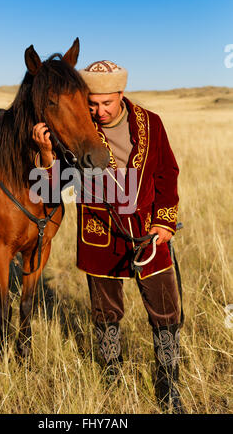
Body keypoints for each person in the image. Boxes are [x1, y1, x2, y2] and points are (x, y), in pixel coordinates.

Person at [32, 60, 184, 413]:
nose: (98, 112)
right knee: (106, 312)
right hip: (100, 232)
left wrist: (164, 222)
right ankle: (112, 373)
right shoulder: (74, 129)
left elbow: (167, 173)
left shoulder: (151, 124)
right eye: (92, 104)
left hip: (149, 234)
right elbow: (51, 190)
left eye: (106, 104)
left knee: (166, 309)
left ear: (121, 95)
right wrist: (46, 153)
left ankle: (168, 382)